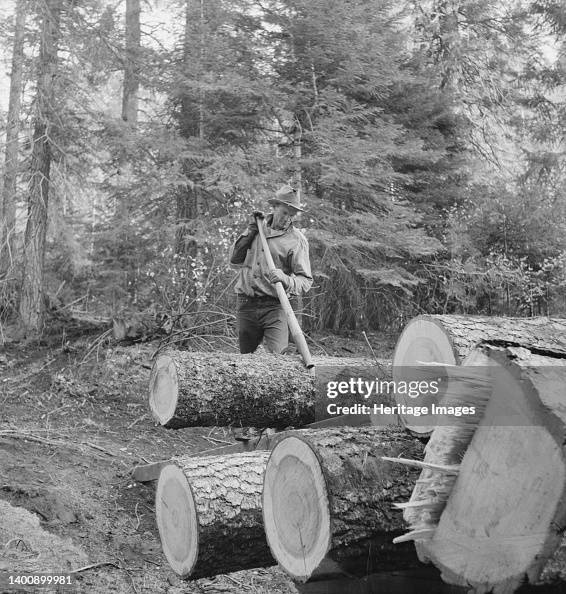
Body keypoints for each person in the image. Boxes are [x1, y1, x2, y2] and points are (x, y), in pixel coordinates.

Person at [230, 185, 313, 354]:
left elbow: (306, 281)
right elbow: (234, 260)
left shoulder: (297, 241)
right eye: (284, 213)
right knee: (246, 359)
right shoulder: (256, 227)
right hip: (246, 303)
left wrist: (285, 278)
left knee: (279, 358)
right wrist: (251, 230)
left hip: (275, 306)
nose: (287, 219)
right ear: (274, 207)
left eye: (292, 215)